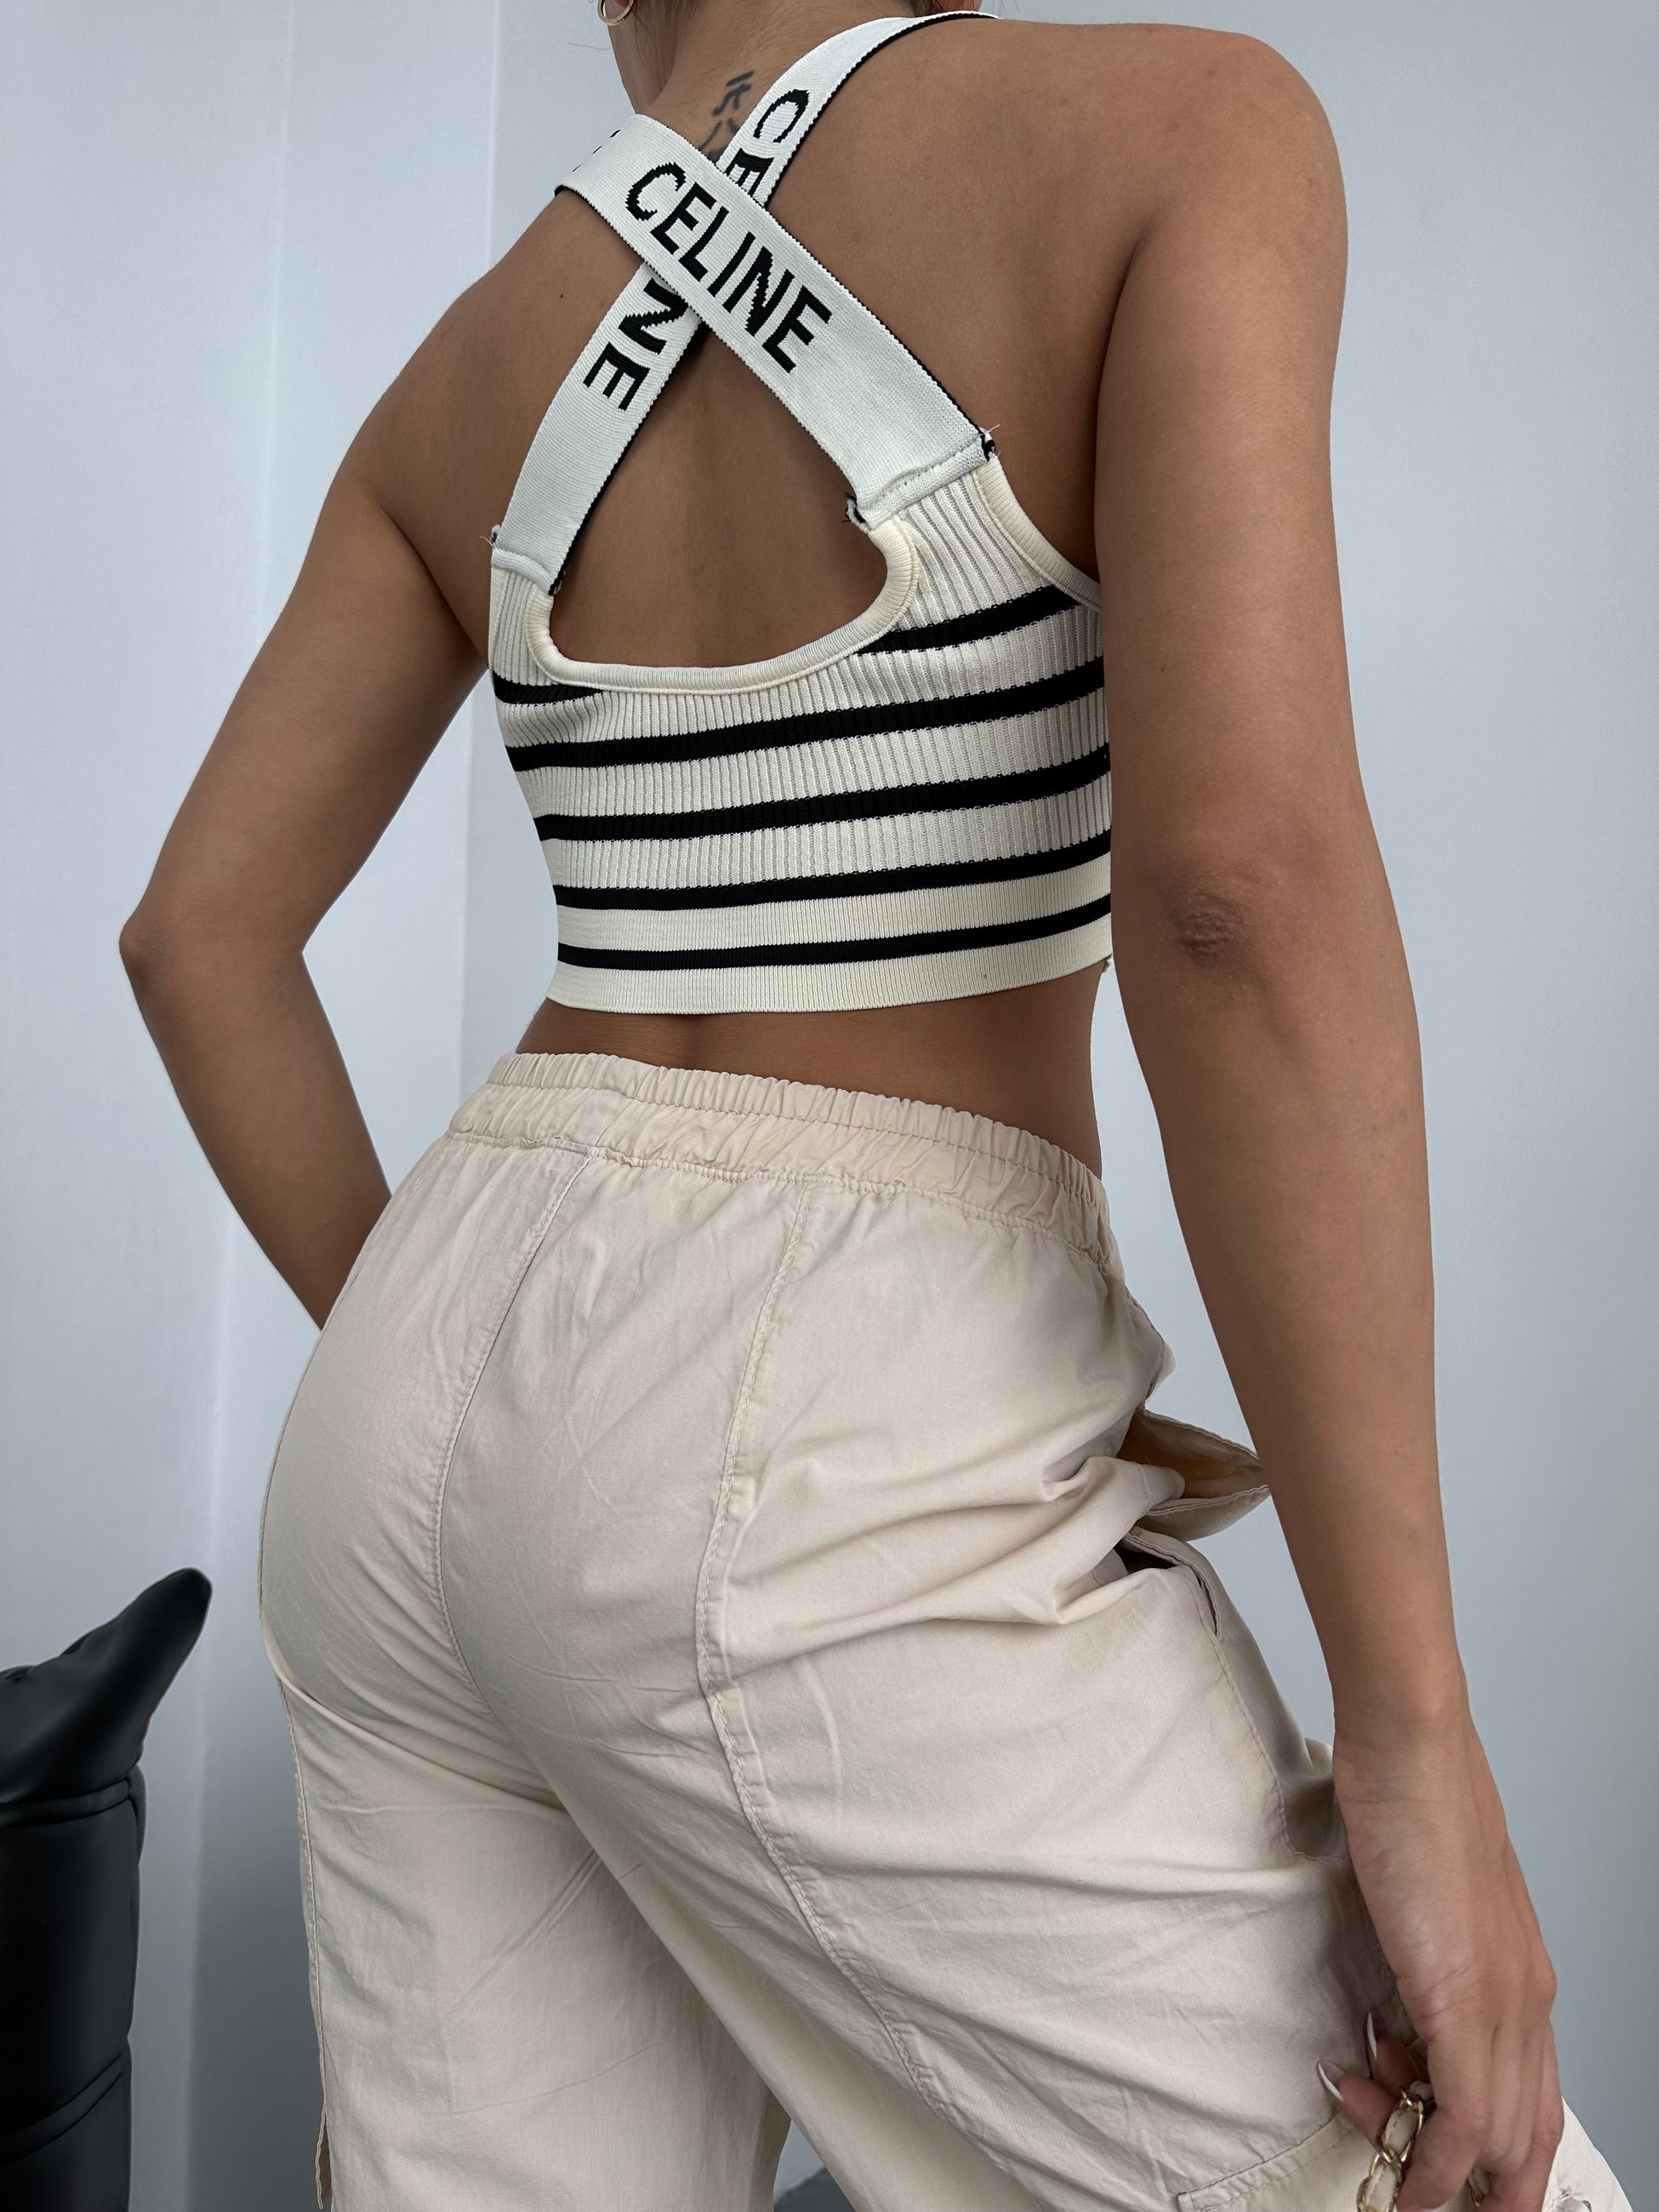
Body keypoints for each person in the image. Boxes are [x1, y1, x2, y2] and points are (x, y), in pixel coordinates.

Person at [118, 4, 1630, 2209]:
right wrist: (1420, 1738)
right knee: (1448, 2175)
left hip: (415, 1391)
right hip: (822, 1407)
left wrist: (502, 1421)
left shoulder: (472, 356)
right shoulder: (1175, 133)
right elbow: (1233, 897)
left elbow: (198, 939)